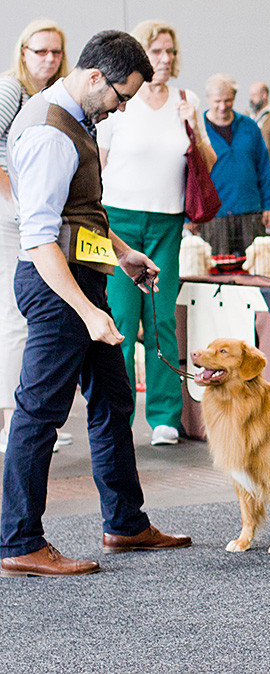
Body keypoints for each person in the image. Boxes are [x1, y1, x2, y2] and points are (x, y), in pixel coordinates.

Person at [1, 29, 191, 578]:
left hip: (85, 280)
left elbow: (79, 214)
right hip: (58, 291)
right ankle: (18, 541)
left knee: (112, 403)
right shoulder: (48, 132)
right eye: (120, 96)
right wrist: (86, 311)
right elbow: (39, 239)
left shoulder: (78, 120)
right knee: (39, 414)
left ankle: (126, 525)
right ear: (92, 78)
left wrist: (124, 253)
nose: (122, 107)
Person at [97, 20, 215, 448]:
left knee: (162, 318)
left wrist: (194, 127)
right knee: (123, 319)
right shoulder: (120, 102)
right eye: (156, 52)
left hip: (168, 221)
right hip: (120, 219)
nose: (164, 60)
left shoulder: (187, 100)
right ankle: (118, 414)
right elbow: (99, 163)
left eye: (170, 52)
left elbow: (208, 163)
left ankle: (165, 416)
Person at [0, 20, 69, 455]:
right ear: (23, 51)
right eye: (40, 51)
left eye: (56, 53)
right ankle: (15, 421)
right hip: (14, 219)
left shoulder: (51, 97)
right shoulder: (10, 90)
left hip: (39, 219)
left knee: (34, 319)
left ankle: (32, 417)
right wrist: (14, 204)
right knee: (15, 320)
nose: (48, 59)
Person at [199, 73, 270, 257]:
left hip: (250, 210)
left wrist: (269, 205)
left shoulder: (250, 126)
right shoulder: (198, 129)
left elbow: (263, 168)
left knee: (257, 265)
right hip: (214, 215)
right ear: (207, 99)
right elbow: (191, 175)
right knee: (217, 269)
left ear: (234, 97)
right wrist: (190, 216)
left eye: (228, 100)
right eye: (217, 101)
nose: (222, 106)